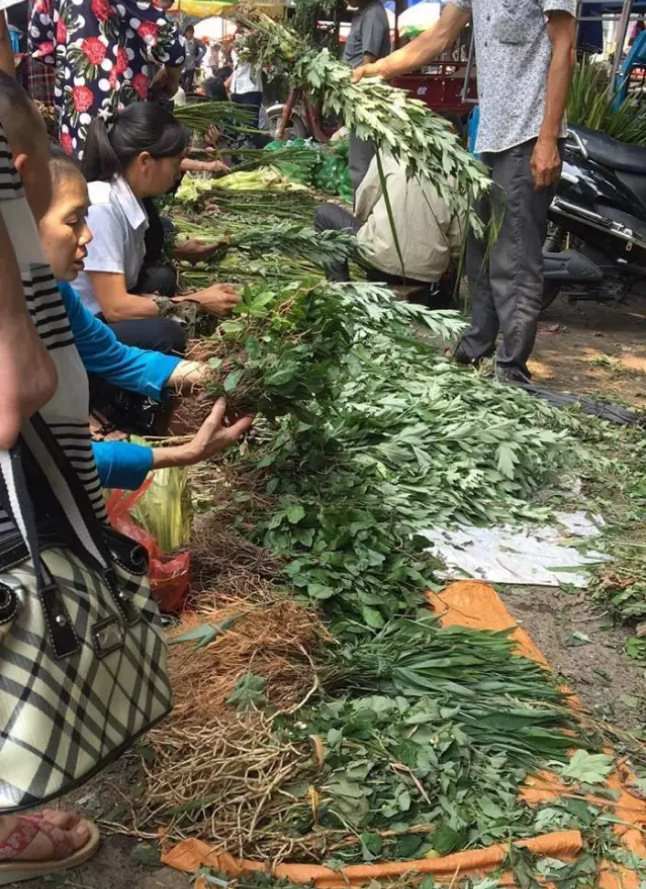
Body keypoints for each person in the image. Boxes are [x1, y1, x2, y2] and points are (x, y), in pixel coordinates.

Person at [353, 0, 576, 384]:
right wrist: (375, 69)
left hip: (528, 138)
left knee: (515, 259)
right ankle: (475, 348)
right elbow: (438, 37)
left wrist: (547, 139)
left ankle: (511, 370)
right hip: (489, 139)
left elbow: (565, 49)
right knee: (480, 252)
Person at [40, 148, 253, 490]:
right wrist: (184, 453)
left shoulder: (54, 292)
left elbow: (114, 356)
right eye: (72, 221)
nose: (88, 235)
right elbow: (52, 459)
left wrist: (214, 374)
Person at [71, 101, 240, 359]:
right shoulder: (104, 208)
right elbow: (116, 307)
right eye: (175, 163)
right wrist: (197, 302)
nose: (177, 173)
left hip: (105, 304)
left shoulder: (129, 196)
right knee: (167, 335)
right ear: (145, 162)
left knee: (162, 277)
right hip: (86, 323)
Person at [28, 0, 185, 156]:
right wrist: (172, 78)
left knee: (79, 173)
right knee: (118, 175)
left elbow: (38, 43)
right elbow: (168, 42)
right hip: (118, 119)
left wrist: (73, 63)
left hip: (72, 122)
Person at [314, 150, 463, 290]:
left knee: (324, 214)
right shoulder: (457, 168)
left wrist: (363, 224)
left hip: (381, 261)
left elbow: (365, 201)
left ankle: (339, 293)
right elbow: (458, 236)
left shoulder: (390, 152)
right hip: (429, 270)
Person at [343, 0, 390, 195]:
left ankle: (363, 219)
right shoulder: (362, 13)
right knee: (358, 162)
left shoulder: (373, 14)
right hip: (355, 98)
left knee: (361, 165)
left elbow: (368, 65)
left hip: (364, 100)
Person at [227, 55, 263, 130]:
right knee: (237, 123)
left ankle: (251, 139)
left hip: (250, 89)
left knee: (250, 125)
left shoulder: (256, 46)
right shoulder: (233, 46)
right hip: (235, 89)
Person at [181, 24, 205, 94]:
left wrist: (198, 58)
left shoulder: (196, 41)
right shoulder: (181, 40)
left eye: (191, 32)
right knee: (183, 82)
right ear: (186, 32)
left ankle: (189, 95)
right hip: (182, 64)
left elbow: (204, 49)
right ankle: (183, 95)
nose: (190, 34)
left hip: (191, 63)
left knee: (189, 82)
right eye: (189, 32)